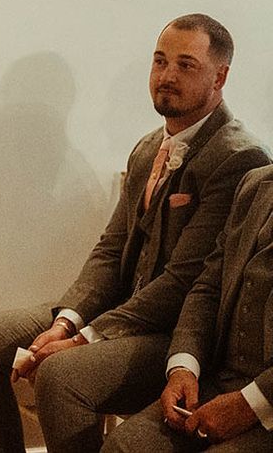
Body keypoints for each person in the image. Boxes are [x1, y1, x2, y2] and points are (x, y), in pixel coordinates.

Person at [0, 14, 271, 452]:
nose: (167, 76)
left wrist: (88, 338)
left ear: (220, 76)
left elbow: (186, 282)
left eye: (185, 65)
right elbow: (111, 249)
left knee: (63, 375)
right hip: (116, 311)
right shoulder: (145, 148)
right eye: (160, 61)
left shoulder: (239, 159)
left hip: (170, 328)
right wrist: (68, 321)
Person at [102, 165, 273, 452]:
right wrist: (184, 367)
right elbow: (207, 288)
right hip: (222, 380)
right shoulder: (255, 183)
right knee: (123, 446)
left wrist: (251, 403)